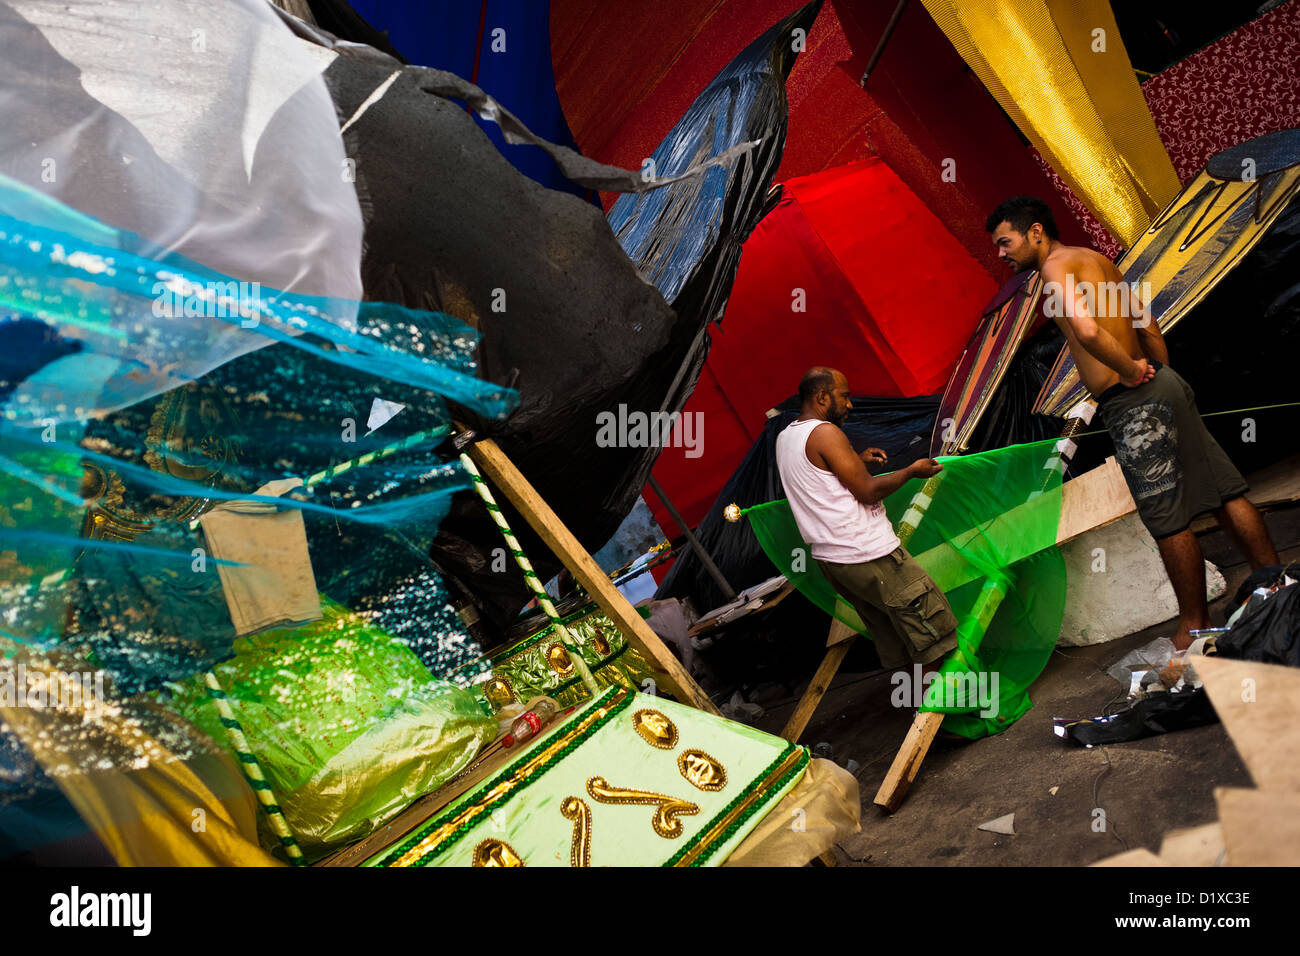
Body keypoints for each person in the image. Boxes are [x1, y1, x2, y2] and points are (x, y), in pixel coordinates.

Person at [986, 195, 1279, 649]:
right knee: (1225, 491)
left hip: (1132, 398)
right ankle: (1276, 586)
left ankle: (1194, 628)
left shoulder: (1054, 269)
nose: (1001, 254)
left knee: (1166, 517)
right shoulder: (1097, 260)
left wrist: (1127, 371)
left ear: (1036, 232)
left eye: (1005, 242)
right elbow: (1147, 322)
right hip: (1162, 384)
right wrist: (1162, 374)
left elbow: (1086, 330)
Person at [775, 367, 957, 672]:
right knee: (932, 634)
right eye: (844, 396)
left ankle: (921, 711)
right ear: (822, 396)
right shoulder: (826, 433)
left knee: (898, 637)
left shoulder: (786, 437)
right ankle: (959, 708)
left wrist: (855, 461)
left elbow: (817, 476)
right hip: (868, 554)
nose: (849, 405)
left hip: (836, 562)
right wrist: (911, 471)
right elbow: (868, 491)